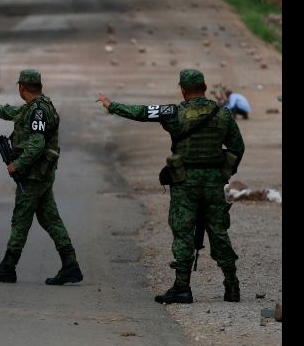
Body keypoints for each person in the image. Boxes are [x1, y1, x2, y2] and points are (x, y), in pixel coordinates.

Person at [95, 69, 245, 304]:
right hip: (213, 182)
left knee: (183, 231)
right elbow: (237, 147)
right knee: (218, 230)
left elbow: (142, 112)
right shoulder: (222, 114)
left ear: (183, 90)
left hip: (184, 182)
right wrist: (224, 172)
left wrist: (112, 105)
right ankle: (232, 286)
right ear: (205, 88)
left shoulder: (174, 113)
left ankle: (182, 288)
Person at [0, 69, 83, 285]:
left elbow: (37, 144)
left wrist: (17, 165)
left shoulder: (38, 111)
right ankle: (70, 265)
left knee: (21, 219)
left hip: (34, 177)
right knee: (50, 219)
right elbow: (17, 113)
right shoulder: (38, 106)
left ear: (21, 87)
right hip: (41, 175)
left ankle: (8, 267)